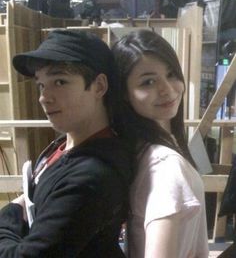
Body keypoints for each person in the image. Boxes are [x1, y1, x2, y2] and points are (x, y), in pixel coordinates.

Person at [0, 29, 132, 257]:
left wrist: (10, 215)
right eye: (41, 84)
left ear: (99, 86)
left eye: (60, 81)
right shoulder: (65, 144)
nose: (44, 97)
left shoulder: (91, 177)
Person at [112, 29, 209, 258]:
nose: (167, 89)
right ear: (124, 93)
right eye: (148, 82)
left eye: (172, 74)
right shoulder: (165, 165)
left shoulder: (142, 149)